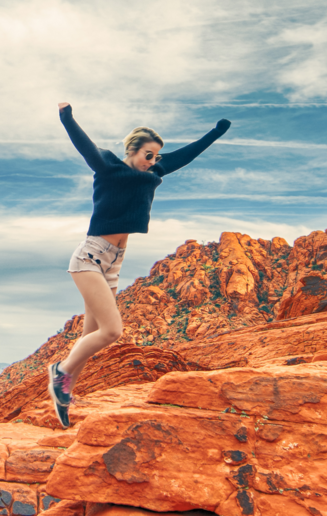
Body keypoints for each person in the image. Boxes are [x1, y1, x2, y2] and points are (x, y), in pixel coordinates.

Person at [47, 102, 231, 427]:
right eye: (148, 155)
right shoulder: (108, 167)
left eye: (157, 156)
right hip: (90, 257)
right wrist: (67, 118)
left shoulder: (155, 172)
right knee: (112, 331)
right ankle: (59, 373)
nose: (153, 161)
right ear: (132, 151)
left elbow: (185, 155)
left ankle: (65, 393)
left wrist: (215, 133)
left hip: (113, 263)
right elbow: (85, 146)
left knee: (91, 334)